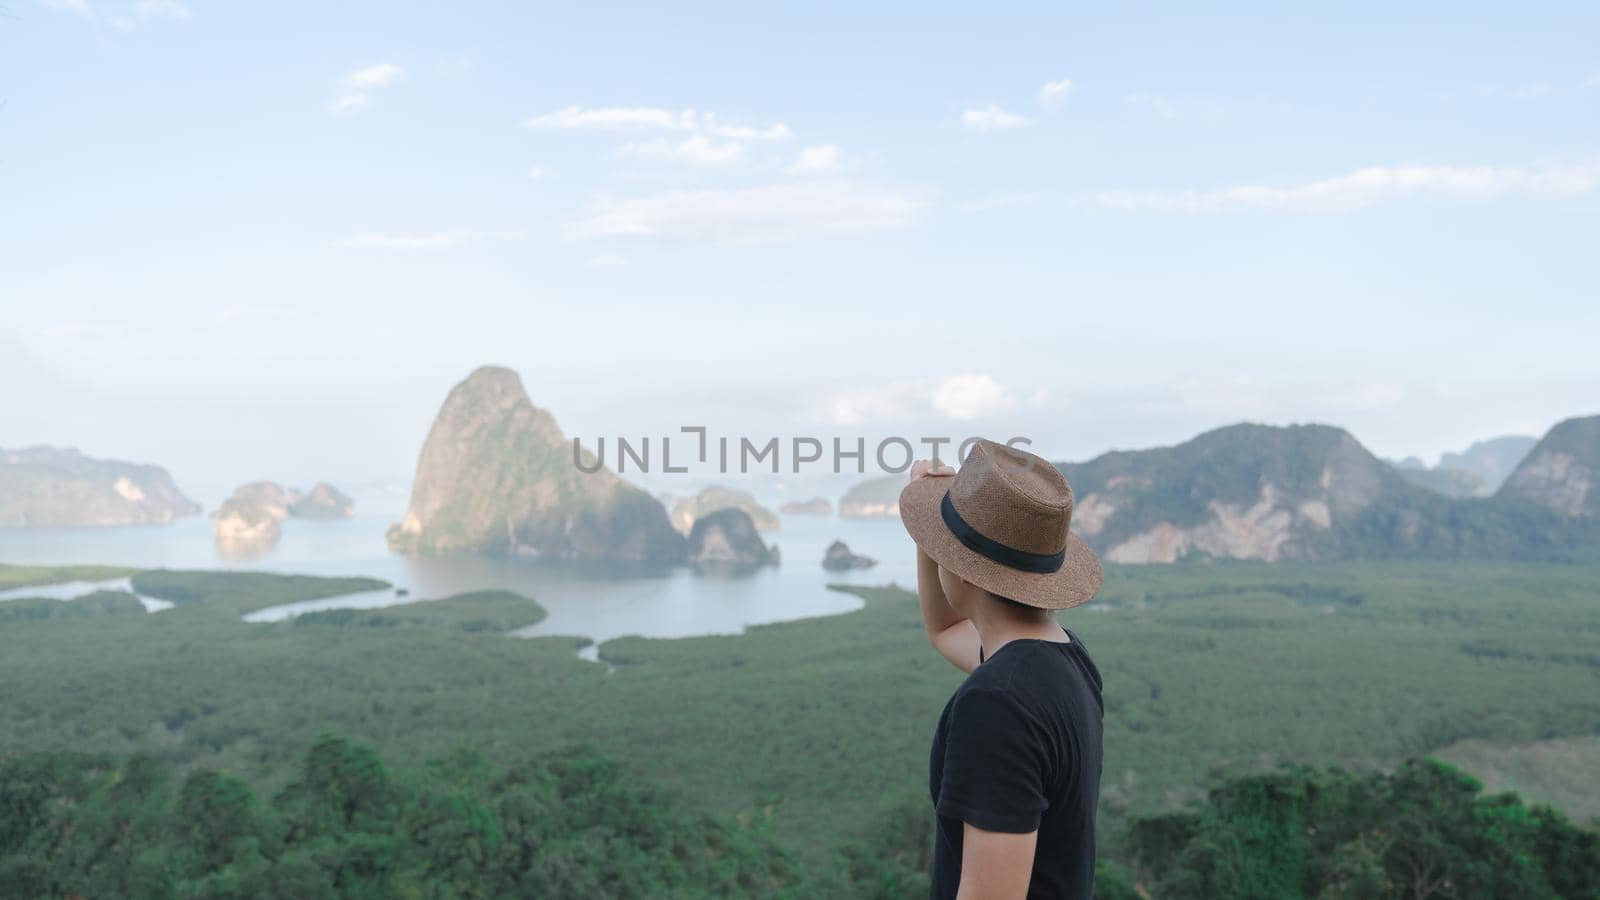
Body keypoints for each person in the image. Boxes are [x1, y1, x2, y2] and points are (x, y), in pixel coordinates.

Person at [900, 439, 1105, 899]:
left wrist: (936, 529)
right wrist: (931, 540)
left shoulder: (996, 705)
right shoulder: (1066, 658)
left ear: (965, 570)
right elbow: (946, 628)